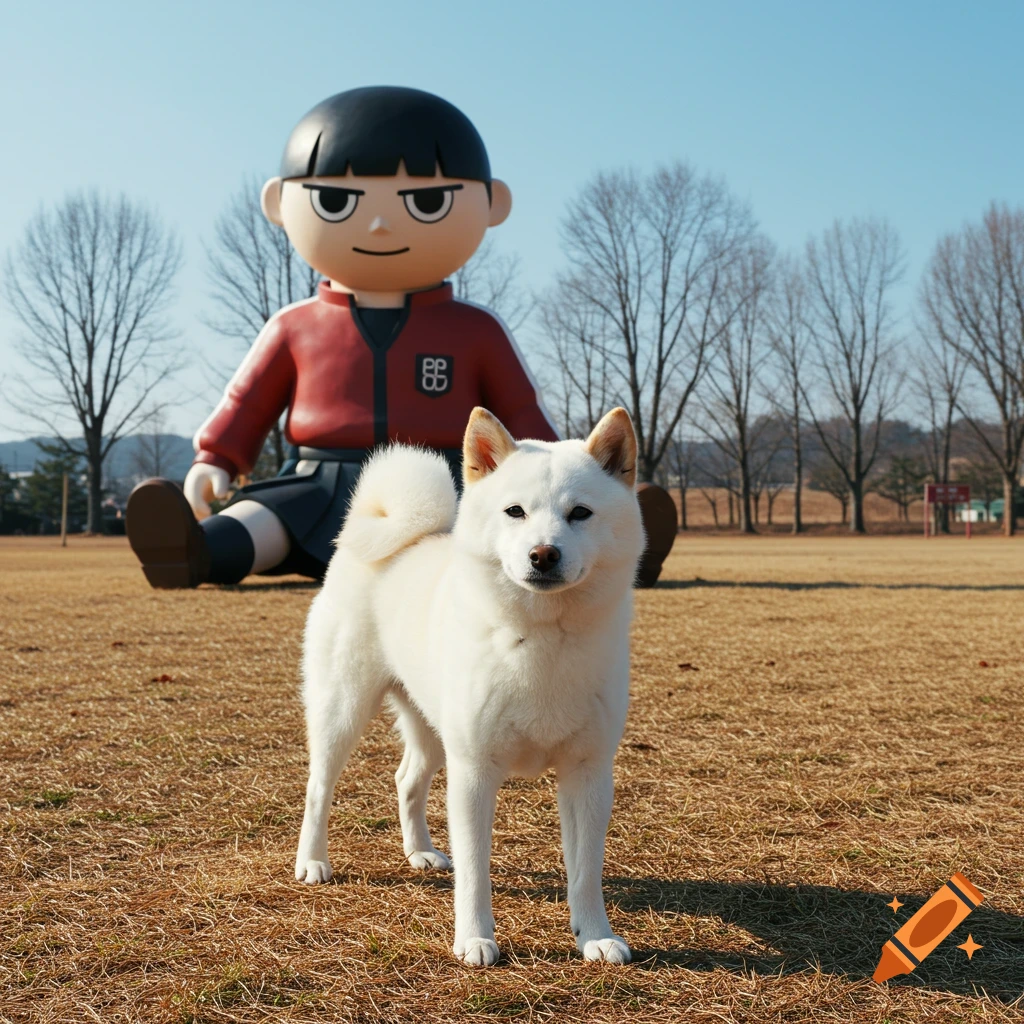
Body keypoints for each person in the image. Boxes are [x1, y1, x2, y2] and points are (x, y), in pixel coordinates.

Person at [126, 86, 676, 588]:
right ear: (279, 203)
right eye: (338, 202)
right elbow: (247, 402)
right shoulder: (293, 326)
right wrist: (215, 458)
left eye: (427, 201)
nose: (380, 225)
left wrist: (578, 477)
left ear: (492, 206)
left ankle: (622, 544)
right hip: (317, 479)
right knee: (261, 522)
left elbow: (523, 419)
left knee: (482, 529)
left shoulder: (475, 329)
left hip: (439, 481)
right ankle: (191, 552)